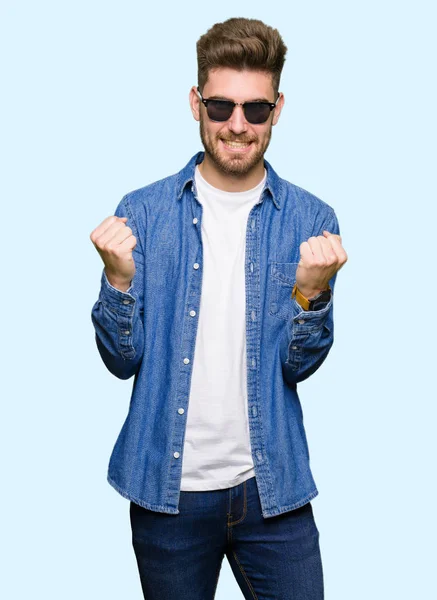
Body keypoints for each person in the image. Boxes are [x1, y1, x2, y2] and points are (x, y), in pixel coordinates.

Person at [90, 16, 348, 600]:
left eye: (255, 110)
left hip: (271, 487)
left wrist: (311, 293)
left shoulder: (312, 221)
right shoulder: (143, 212)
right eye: (221, 106)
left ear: (277, 108)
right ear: (195, 102)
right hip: (166, 490)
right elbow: (120, 360)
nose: (237, 125)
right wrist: (117, 279)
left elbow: (297, 366)